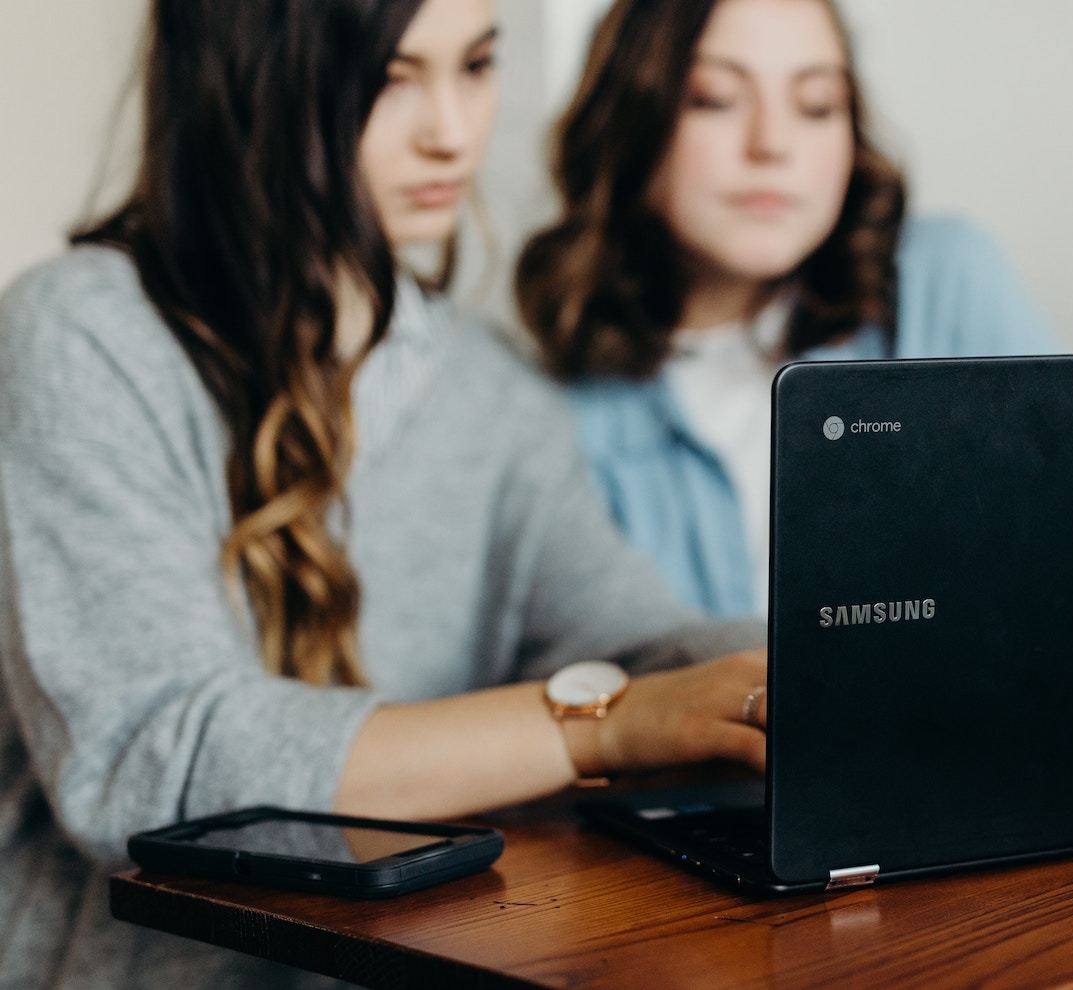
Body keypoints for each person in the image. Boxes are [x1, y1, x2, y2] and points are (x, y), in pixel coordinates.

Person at [0, 1, 772, 986]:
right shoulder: (82, 335)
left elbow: (633, 639)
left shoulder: (493, 390)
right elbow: (152, 763)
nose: (451, 129)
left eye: (477, 65)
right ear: (252, 83)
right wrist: (607, 728)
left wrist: (806, 671)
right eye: (393, 78)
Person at [516, 0, 1055, 619]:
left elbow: (1068, 565)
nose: (771, 145)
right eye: (714, 98)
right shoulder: (547, 409)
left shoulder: (945, 282)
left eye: (817, 105)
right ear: (628, 121)